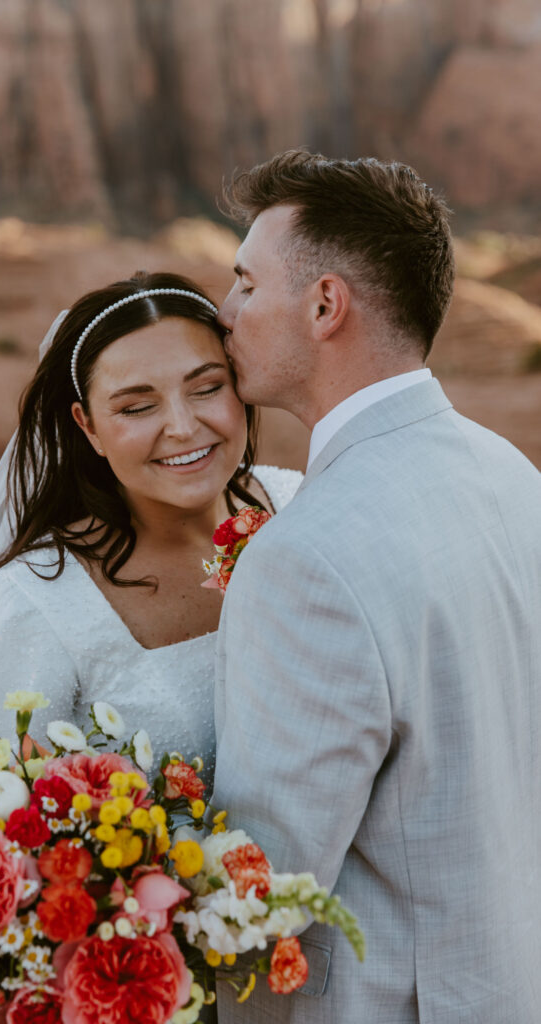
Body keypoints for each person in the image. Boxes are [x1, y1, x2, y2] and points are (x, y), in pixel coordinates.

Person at [212, 151, 541, 1022]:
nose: (225, 313)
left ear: (325, 305)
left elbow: (261, 897)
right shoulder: (510, 476)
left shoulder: (303, 557)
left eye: (245, 284)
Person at [0, 271, 301, 824]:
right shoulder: (21, 613)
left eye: (208, 387)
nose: (184, 426)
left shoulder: (301, 508)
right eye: (136, 407)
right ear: (88, 426)